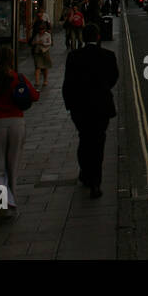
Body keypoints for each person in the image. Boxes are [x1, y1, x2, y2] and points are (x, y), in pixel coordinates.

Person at [0, 46, 38, 224]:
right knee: (12, 168)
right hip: (17, 124)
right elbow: (34, 96)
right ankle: (10, 205)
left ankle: (2, 207)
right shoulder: (18, 78)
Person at [63, 23, 119, 199]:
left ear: (82, 38)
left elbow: (68, 84)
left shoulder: (73, 57)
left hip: (80, 109)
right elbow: (113, 78)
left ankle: (85, 173)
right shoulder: (108, 56)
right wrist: (102, 90)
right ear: (98, 37)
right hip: (101, 107)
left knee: (84, 139)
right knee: (98, 143)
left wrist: (70, 104)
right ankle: (96, 182)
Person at [33, 20, 53, 90]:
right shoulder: (37, 35)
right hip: (38, 52)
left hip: (45, 52)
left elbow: (49, 43)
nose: (41, 31)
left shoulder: (47, 35)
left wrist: (43, 43)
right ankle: (37, 81)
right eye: (39, 29)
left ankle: (45, 80)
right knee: (38, 67)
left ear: (44, 29)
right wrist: (36, 42)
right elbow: (33, 42)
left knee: (45, 67)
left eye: (42, 29)